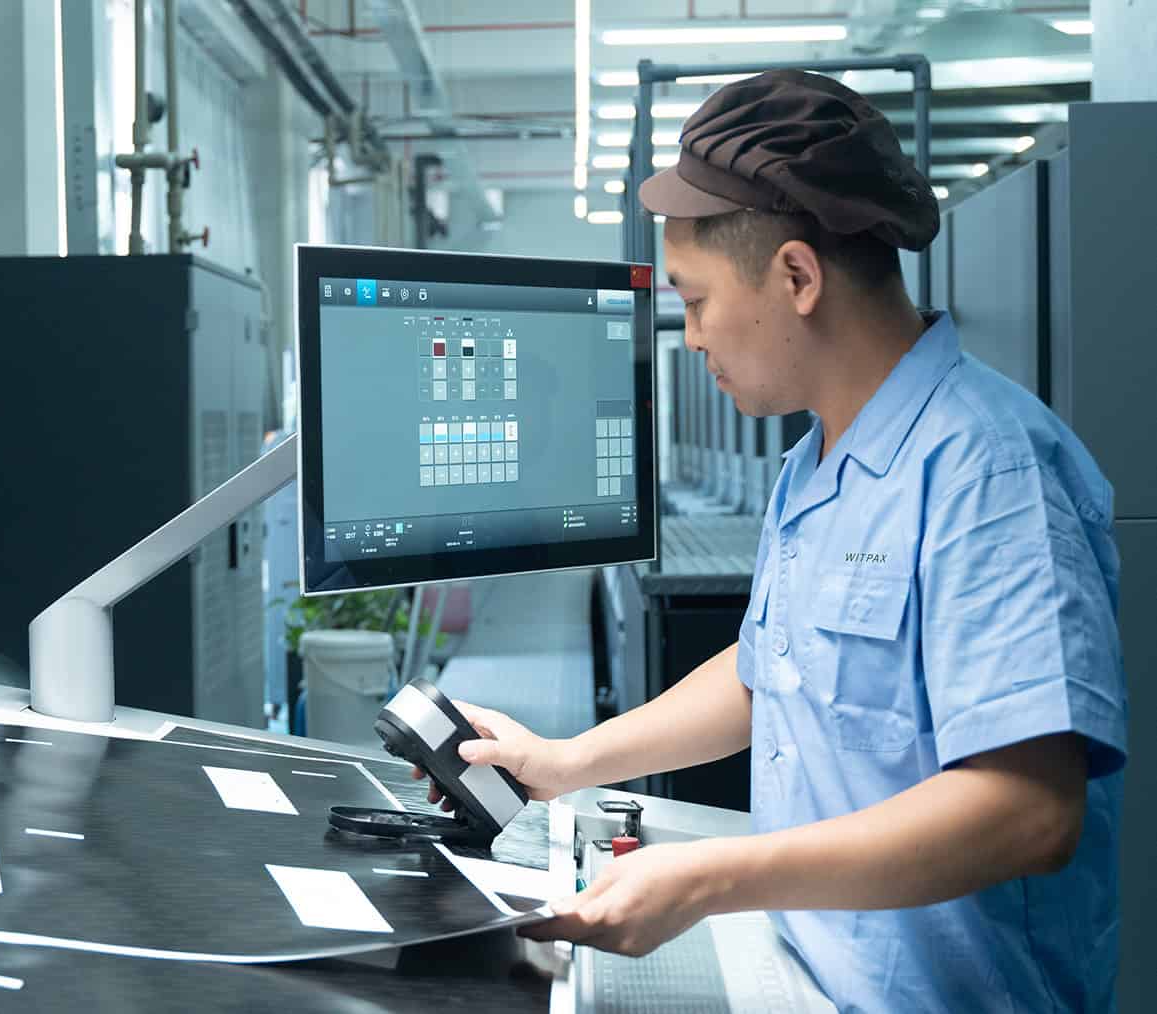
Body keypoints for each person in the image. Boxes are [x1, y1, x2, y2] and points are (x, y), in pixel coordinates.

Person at [417, 71, 1126, 1012]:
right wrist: (564, 761)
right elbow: (770, 670)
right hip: (806, 973)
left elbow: (1027, 810)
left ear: (796, 276)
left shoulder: (990, 475)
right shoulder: (818, 460)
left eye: (699, 300)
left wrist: (715, 876)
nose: (692, 335)